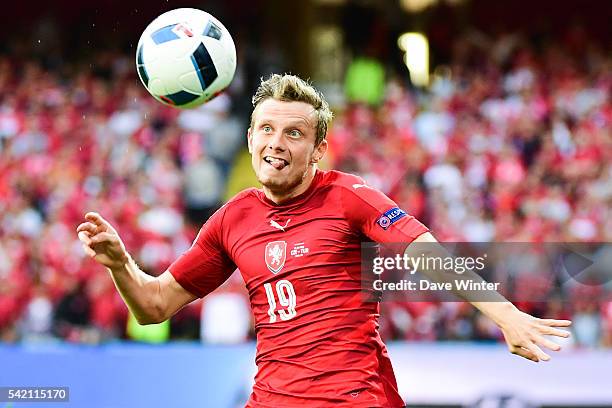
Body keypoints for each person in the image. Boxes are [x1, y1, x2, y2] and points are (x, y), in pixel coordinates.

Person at [77, 74, 571, 408]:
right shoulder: (232, 219)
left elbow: (426, 253)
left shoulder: (349, 196)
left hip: (352, 399)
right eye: (266, 129)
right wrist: (121, 265)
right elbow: (155, 305)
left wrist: (506, 315)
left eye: (294, 134)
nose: (276, 142)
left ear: (316, 151)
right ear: (250, 139)